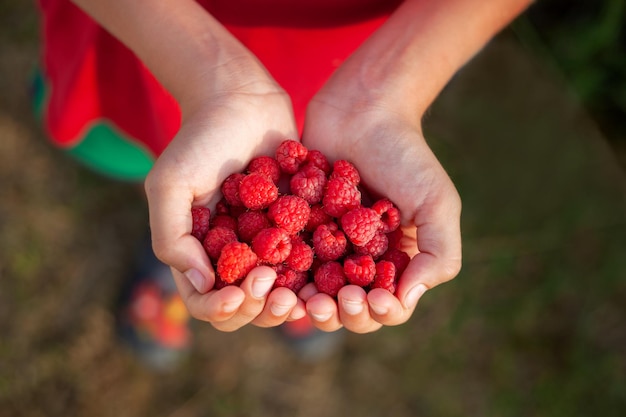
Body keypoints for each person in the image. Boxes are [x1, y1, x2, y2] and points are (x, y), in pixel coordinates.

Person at [35, 0, 532, 348]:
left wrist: (385, 93)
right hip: (153, 31)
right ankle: (172, 258)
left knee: (196, 204)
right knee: (167, 176)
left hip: (358, 51)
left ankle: (290, 290)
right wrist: (209, 75)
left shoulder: (318, 204)